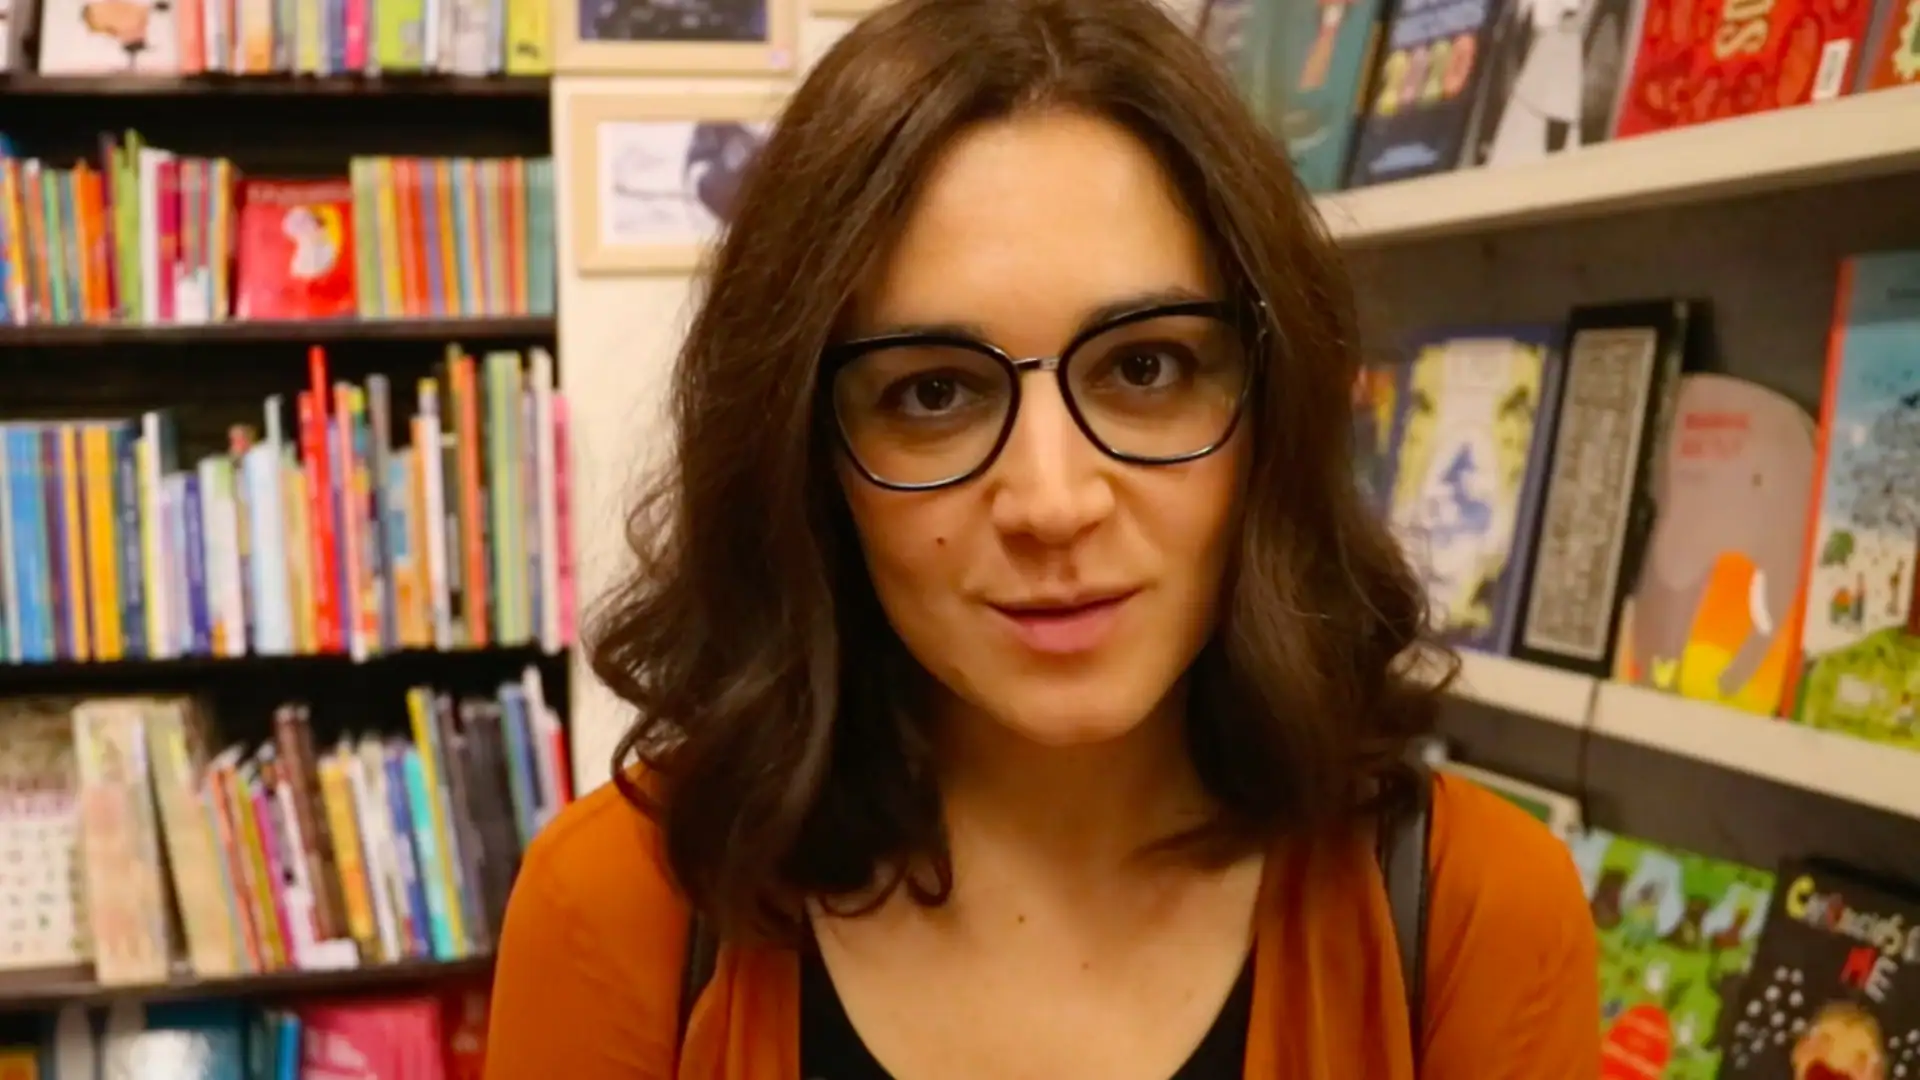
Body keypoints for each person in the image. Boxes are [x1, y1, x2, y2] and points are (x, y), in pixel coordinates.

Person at [484, 0, 1600, 1076]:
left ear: (1274, 406)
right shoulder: (621, 909)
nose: (1054, 503)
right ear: (806, 456)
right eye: (932, 393)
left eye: (1145, 368)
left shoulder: (1473, 912)